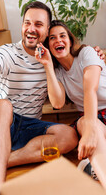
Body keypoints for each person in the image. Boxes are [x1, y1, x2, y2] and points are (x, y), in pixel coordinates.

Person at [0, 1, 104, 191]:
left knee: (69, 136)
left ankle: (4, 160)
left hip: (29, 126)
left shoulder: (52, 59)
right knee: (3, 105)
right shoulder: (9, 52)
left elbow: (59, 101)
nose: (31, 29)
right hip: (0, 118)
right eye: (27, 23)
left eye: (39, 24)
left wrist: (49, 65)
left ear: (47, 30)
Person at [35, 20, 106, 189]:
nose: (58, 40)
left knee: (89, 127)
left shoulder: (87, 53)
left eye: (62, 36)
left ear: (70, 40)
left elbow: (90, 89)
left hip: (95, 114)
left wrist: (89, 131)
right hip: (91, 117)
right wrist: (48, 66)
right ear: (48, 46)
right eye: (52, 38)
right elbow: (58, 103)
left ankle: (92, 165)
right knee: (84, 123)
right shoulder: (58, 72)